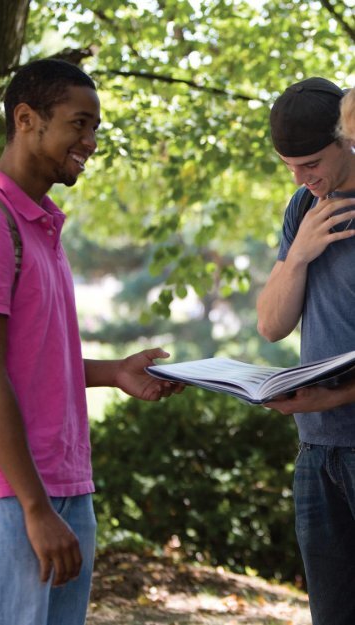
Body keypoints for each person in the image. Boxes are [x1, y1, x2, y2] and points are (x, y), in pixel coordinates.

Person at [0, 59, 181, 625]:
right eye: (79, 124)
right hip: (9, 491)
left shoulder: (39, 226)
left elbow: (34, 361)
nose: (90, 142)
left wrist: (114, 371)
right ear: (27, 119)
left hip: (62, 482)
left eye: (95, 128)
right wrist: (34, 508)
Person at [256, 78, 355, 625]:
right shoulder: (303, 206)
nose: (301, 178)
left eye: (311, 162)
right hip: (316, 453)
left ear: (347, 138)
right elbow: (271, 325)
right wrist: (297, 257)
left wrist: (337, 394)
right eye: (289, 165)